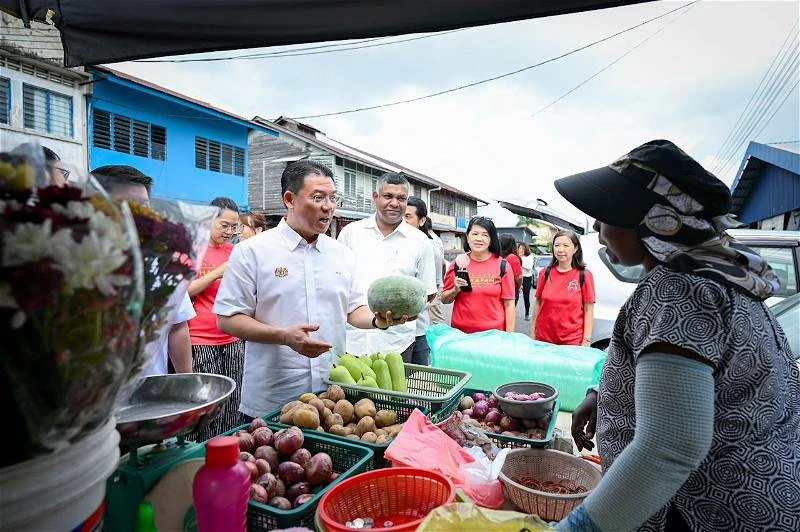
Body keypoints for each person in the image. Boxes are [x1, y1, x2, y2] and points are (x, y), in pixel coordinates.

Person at [554, 139, 799, 531]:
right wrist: (608, 394)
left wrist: (577, 528)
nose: (598, 228)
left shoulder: (677, 289)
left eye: (609, 215)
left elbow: (668, 449)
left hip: (710, 513)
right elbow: (708, 381)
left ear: (657, 223)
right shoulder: (721, 276)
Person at [214, 160, 405, 418]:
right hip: (273, 397)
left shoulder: (342, 254)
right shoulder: (252, 252)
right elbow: (228, 319)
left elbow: (353, 309)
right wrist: (284, 336)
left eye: (332, 198)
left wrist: (377, 320)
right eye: (318, 197)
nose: (328, 206)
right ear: (290, 199)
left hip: (333, 399)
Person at [91, 164, 195, 375]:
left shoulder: (162, 263)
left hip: (150, 394)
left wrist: (187, 381)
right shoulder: (72, 263)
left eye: (143, 206)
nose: (139, 215)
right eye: (127, 206)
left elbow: (177, 326)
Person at [337, 172, 437, 359]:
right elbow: (338, 283)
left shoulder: (420, 241)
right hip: (351, 339)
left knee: (396, 388)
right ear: (375, 197)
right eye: (388, 196)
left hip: (397, 342)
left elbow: (428, 292)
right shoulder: (351, 233)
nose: (394, 203)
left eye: (401, 198)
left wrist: (407, 311)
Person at [187, 196, 245, 440]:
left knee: (233, 401)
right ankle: (200, 452)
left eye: (234, 227)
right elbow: (185, 292)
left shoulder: (236, 251)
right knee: (203, 402)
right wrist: (217, 274)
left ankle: (230, 447)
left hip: (232, 337)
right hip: (200, 339)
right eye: (224, 225)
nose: (229, 232)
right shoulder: (192, 249)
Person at [441, 217, 516, 333]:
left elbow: (509, 304)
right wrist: (455, 290)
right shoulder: (457, 264)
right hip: (462, 335)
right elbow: (445, 299)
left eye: (485, 235)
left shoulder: (502, 265)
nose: (479, 239)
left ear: (491, 240)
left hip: (493, 335)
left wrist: (509, 336)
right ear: (468, 237)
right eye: (475, 234)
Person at [530, 229, 595, 346]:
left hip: (572, 341)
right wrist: (533, 332)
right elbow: (538, 303)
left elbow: (588, 309)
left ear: (575, 249)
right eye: (557, 245)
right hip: (544, 338)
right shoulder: (545, 273)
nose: (560, 250)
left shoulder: (584, 275)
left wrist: (586, 339)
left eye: (566, 245)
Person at [404, 196, 439, 365]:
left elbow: (433, 289)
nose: (403, 221)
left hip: (417, 331)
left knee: (416, 381)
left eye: (408, 216)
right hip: (387, 331)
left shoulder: (430, 247)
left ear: (422, 220)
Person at [424, 218, 447, 325]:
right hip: (435, 283)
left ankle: (444, 340)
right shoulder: (435, 239)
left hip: (433, 284)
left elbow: (442, 263)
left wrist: (441, 282)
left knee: (436, 318)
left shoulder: (431, 241)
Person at [500, 234, 523, 306]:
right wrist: (519, 286)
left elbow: (518, 277)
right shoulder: (511, 257)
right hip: (509, 290)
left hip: (504, 290)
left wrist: (518, 287)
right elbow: (519, 277)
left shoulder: (508, 257)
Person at [518, 243, 534, 320]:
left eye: (522, 249)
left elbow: (529, 267)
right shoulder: (516, 257)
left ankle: (527, 314)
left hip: (527, 278)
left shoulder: (529, 257)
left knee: (526, 297)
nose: (520, 250)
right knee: (514, 296)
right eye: (519, 248)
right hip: (518, 278)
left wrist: (520, 262)